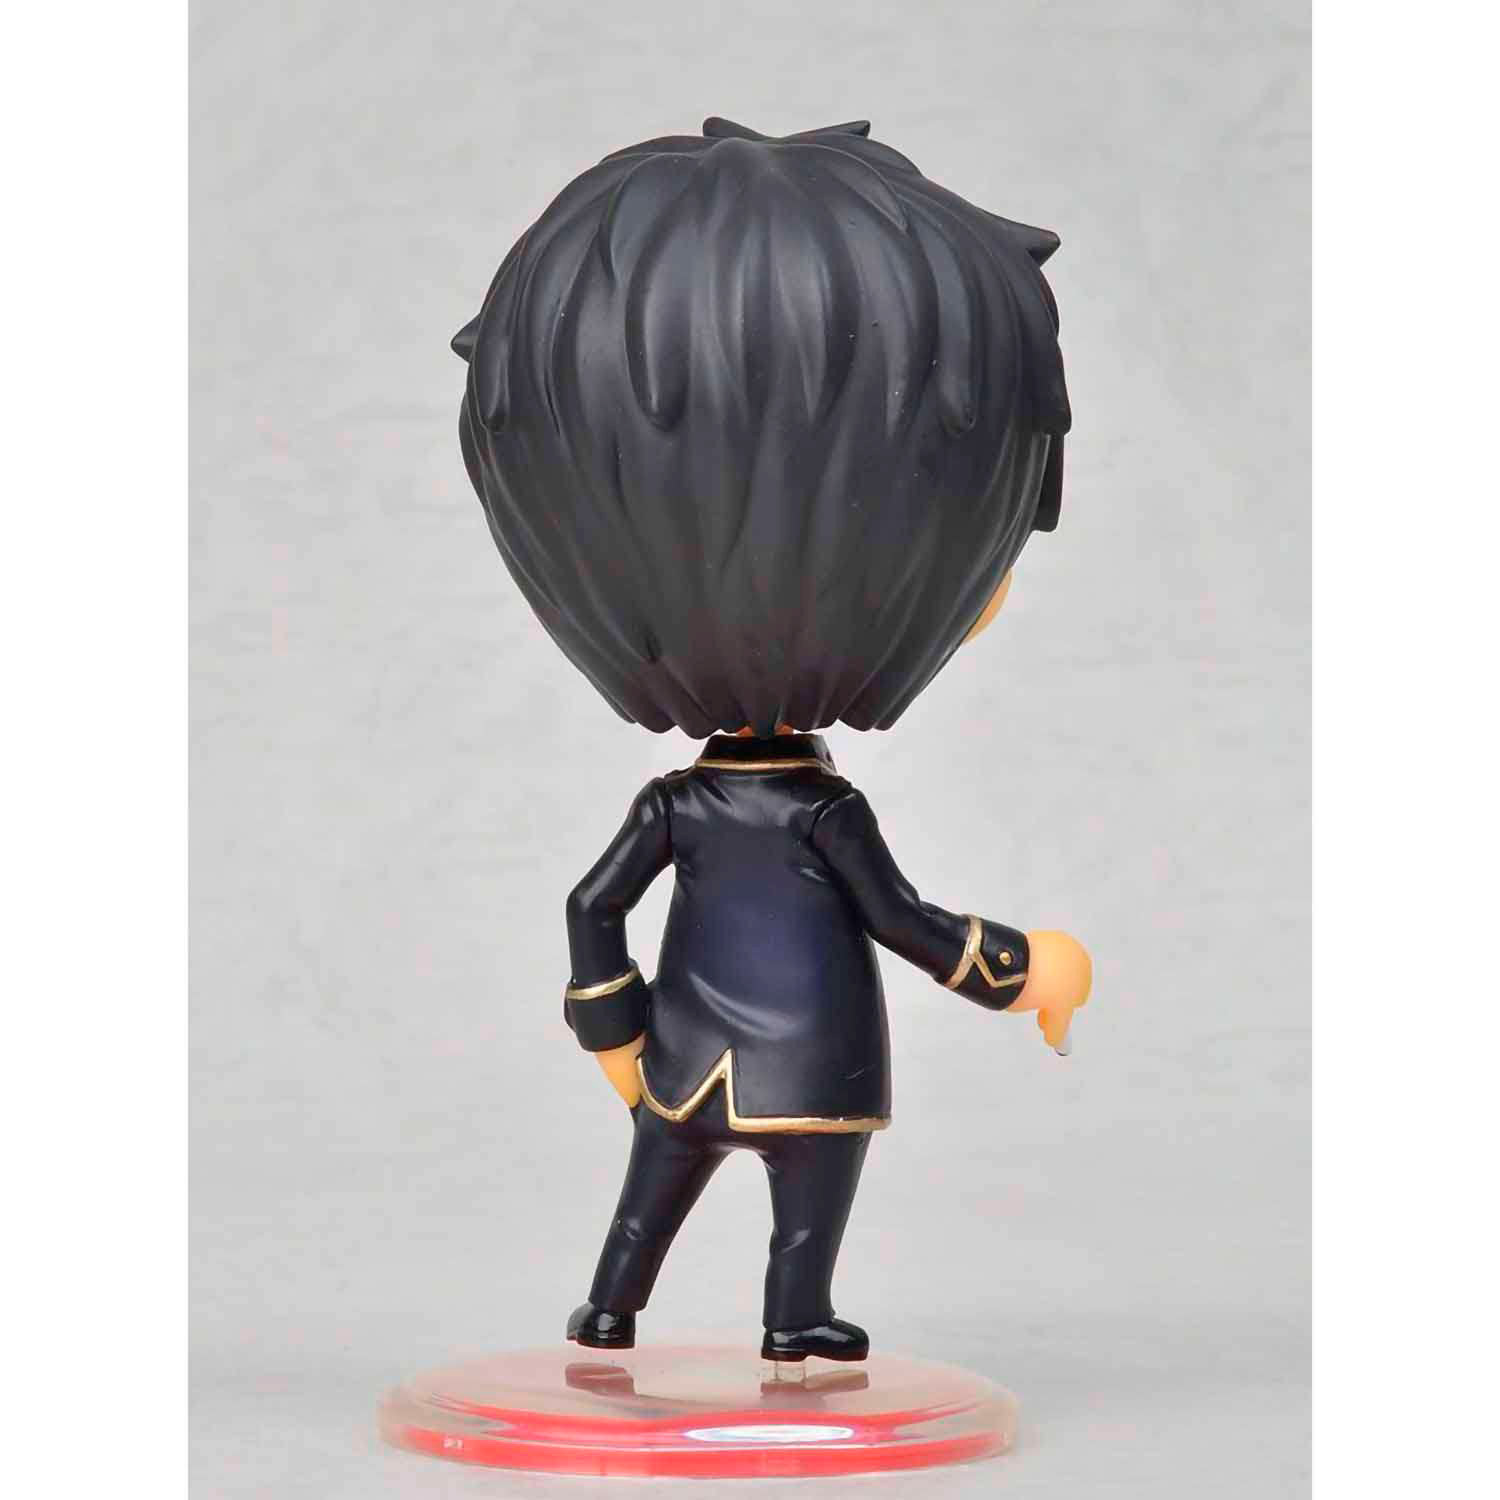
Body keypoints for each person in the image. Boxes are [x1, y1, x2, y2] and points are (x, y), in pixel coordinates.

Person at [452, 116, 1091, 1362]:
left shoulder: (677, 806)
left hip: (681, 1062)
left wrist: (618, 1033)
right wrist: (1021, 970)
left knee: (650, 1200)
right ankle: (789, 1324)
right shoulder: (823, 811)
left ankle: (611, 1312)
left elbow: (593, 908)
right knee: (805, 1217)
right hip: (811, 1066)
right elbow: (901, 923)